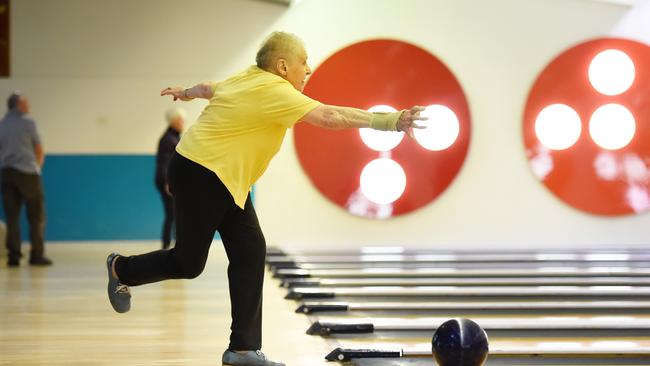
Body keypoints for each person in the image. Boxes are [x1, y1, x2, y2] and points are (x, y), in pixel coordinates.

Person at [105, 31, 425, 366]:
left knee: (250, 250)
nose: (309, 68)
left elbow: (210, 88)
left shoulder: (247, 76)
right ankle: (121, 268)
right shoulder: (275, 90)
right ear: (283, 65)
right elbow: (331, 117)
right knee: (188, 263)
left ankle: (242, 348)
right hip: (202, 171)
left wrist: (186, 93)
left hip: (222, 177)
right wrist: (391, 120)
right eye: (304, 61)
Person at [0, 92, 51, 267]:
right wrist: (37, 166)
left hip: (7, 173)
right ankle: (36, 255)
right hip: (28, 174)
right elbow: (38, 148)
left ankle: (14, 256)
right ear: (18, 105)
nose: (28, 105)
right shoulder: (29, 122)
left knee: (12, 217)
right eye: (26, 102)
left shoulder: (2, 124)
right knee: (36, 216)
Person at [155, 107, 185, 249]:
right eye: (180, 120)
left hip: (172, 182)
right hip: (166, 183)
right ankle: (167, 245)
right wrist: (167, 182)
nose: (182, 122)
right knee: (172, 214)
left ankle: (175, 244)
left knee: (174, 214)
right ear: (172, 121)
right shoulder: (167, 139)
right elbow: (164, 162)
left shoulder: (175, 137)